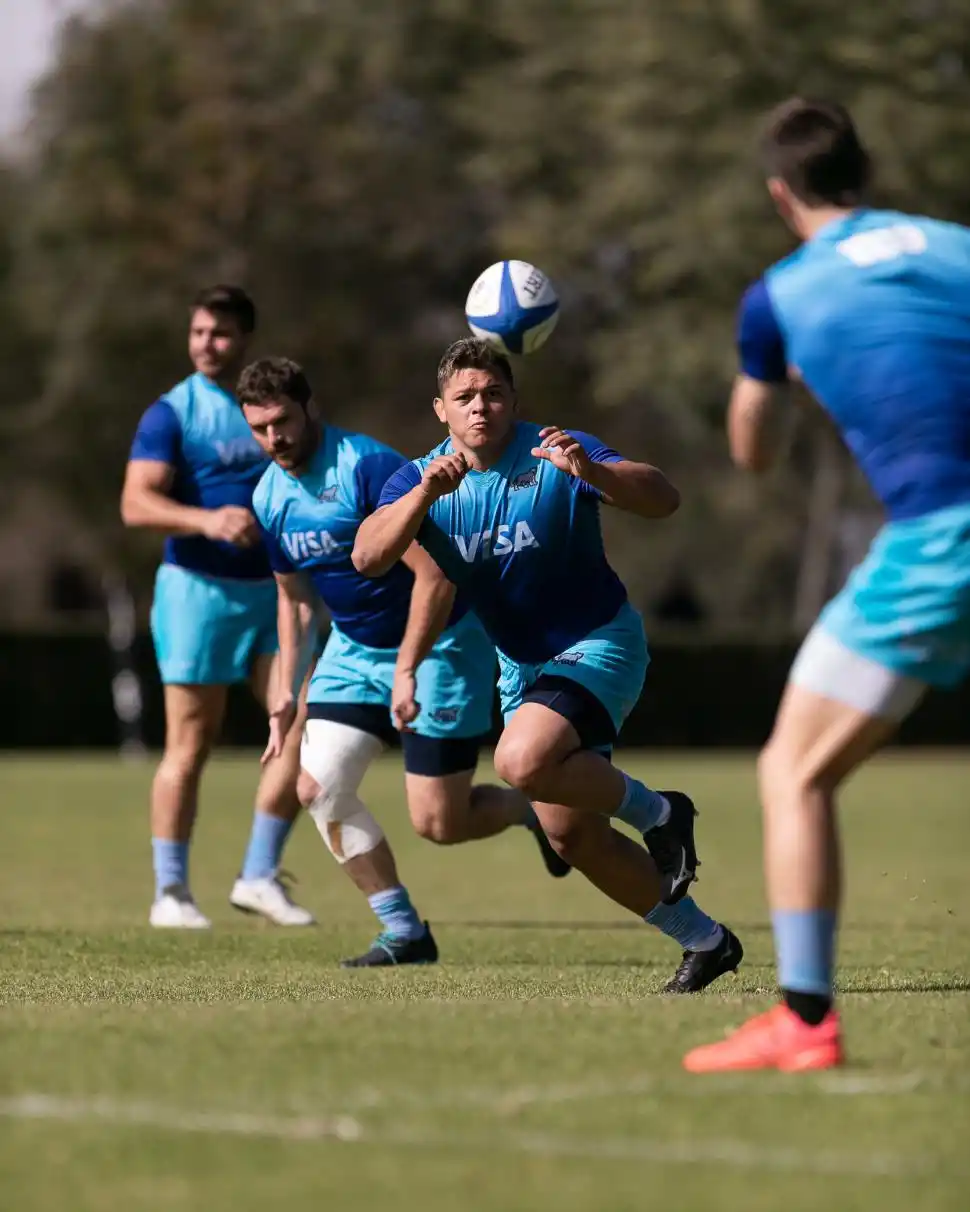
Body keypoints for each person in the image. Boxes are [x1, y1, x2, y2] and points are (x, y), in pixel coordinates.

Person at [683, 98, 970, 1072]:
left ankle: (805, 1022)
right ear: (865, 171)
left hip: (943, 537)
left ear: (779, 194)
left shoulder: (778, 297)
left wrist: (788, 379)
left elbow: (751, 452)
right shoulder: (953, 247)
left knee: (793, 772)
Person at [353, 337, 743, 992]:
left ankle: (660, 813)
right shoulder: (422, 477)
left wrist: (594, 472)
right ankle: (706, 941)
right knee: (571, 838)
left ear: (514, 401)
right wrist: (421, 497)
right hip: (523, 668)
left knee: (517, 760)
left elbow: (663, 496)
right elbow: (368, 556)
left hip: (599, 644)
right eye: (466, 398)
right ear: (441, 410)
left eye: (494, 394)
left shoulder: (556, 451)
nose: (481, 407)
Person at [240, 356, 570, 968]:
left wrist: (408, 666)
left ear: (310, 410)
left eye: (282, 422)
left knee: (439, 822)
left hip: (441, 643)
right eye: (258, 429)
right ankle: (405, 930)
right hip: (354, 650)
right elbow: (294, 601)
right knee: (317, 786)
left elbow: (435, 575)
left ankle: (530, 813)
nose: (273, 439)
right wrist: (286, 689)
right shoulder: (268, 495)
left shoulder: (366, 467)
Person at [121, 286, 312, 929]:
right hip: (196, 594)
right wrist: (206, 520)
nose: (208, 343)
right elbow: (136, 503)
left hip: (276, 593)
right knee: (191, 743)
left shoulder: (273, 406)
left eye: (222, 334)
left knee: (299, 726)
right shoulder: (170, 414)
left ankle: (259, 875)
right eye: (200, 331)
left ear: (245, 340)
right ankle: (170, 893)